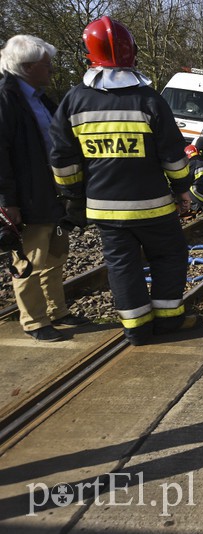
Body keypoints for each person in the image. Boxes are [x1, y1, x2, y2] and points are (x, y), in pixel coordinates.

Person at [49, 16, 200, 346]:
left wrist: (73, 196)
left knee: (122, 267)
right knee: (170, 256)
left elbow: (61, 157)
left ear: (90, 55)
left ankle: (136, 329)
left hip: (105, 210)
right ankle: (169, 320)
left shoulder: (73, 101)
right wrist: (182, 189)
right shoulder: (148, 100)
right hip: (153, 207)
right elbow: (174, 157)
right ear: (132, 53)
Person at [0, 34, 89, 342]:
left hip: (51, 193)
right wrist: (6, 200)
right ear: (27, 66)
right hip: (27, 196)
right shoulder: (6, 98)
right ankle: (33, 320)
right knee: (28, 260)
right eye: (46, 64)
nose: (52, 69)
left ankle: (57, 310)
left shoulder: (38, 98)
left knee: (54, 253)